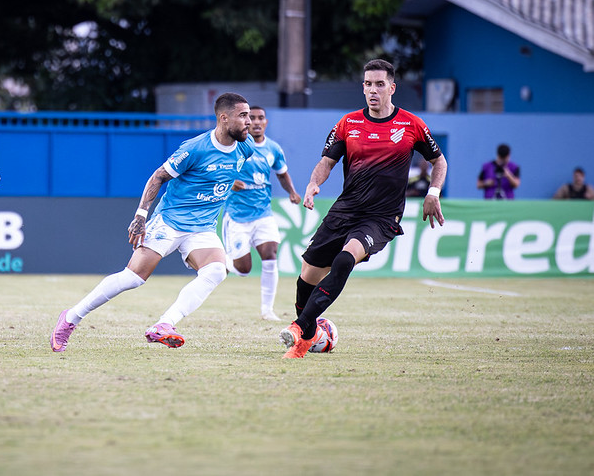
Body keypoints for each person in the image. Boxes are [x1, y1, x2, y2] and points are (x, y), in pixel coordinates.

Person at [51, 92, 254, 352]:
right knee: (133, 278)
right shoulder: (195, 148)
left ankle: (165, 325)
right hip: (169, 221)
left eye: (250, 116)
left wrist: (227, 183)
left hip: (201, 228)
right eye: (243, 115)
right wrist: (140, 216)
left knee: (216, 271)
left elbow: (223, 173)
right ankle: (70, 318)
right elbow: (158, 176)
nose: (249, 121)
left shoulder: (245, 147)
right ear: (224, 118)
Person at [278, 59, 448, 359]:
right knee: (307, 275)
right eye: (368, 84)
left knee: (345, 259)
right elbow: (326, 162)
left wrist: (433, 192)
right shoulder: (348, 123)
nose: (372, 90)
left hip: (381, 217)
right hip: (345, 210)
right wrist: (313, 184)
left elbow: (439, 161)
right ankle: (307, 334)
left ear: (392, 88)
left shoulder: (411, 125)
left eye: (379, 84)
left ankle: (300, 327)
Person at [221, 105, 301, 321]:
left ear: (266, 122)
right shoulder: (236, 146)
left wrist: (292, 192)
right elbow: (217, 169)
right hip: (237, 215)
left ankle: (267, 310)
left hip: (263, 213)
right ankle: (223, 262)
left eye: (260, 118)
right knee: (244, 268)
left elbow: (282, 174)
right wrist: (230, 182)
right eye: (251, 117)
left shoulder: (273, 149)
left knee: (270, 254)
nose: (255, 122)